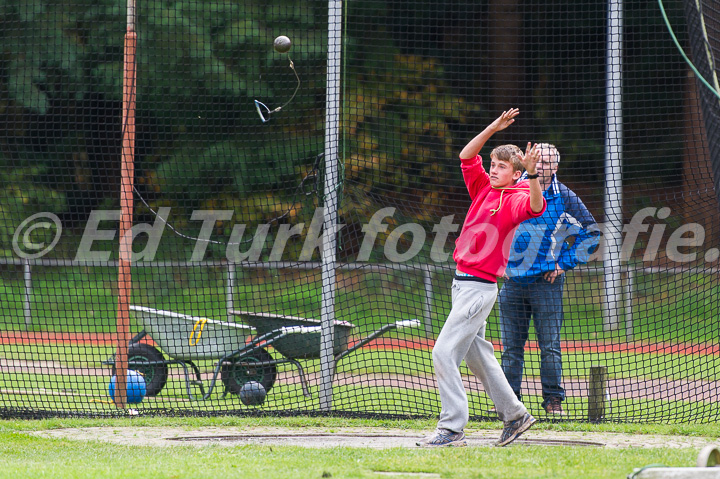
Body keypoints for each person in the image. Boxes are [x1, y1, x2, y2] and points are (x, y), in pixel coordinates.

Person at [417, 108, 546, 448]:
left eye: (502, 166)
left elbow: (535, 206)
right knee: (479, 358)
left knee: (442, 352)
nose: (493, 169)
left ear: (516, 173)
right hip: (461, 284)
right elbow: (466, 155)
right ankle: (516, 416)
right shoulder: (483, 189)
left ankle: (452, 427)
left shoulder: (517, 195)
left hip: (479, 288)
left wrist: (532, 176)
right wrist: (493, 127)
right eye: (493, 164)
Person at [498, 143, 600, 415]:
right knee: (510, 351)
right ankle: (510, 406)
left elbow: (591, 233)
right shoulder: (512, 188)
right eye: (537, 161)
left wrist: (563, 263)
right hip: (512, 284)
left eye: (546, 163)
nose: (541, 166)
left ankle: (553, 402)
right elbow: (494, 225)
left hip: (547, 284)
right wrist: (499, 261)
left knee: (550, 348)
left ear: (556, 168)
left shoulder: (564, 196)